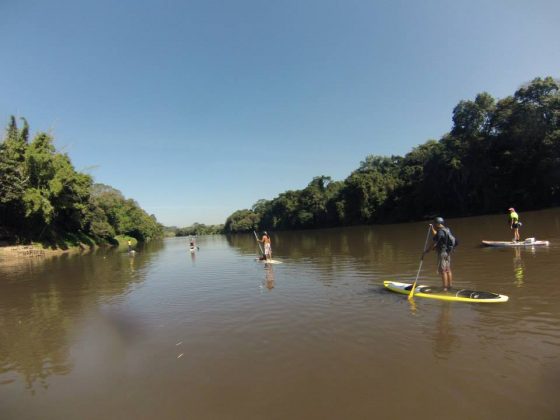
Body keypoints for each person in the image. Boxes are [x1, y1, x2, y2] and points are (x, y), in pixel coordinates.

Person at [425, 217, 453, 291]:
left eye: (434, 223)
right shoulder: (447, 229)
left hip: (442, 253)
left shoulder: (440, 232)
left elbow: (434, 243)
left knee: (443, 271)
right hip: (448, 252)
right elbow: (436, 235)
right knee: (448, 270)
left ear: (437, 223)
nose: (434, 224)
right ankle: (450, 286)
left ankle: (445, 288)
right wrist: (431, 228)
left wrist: (427, 251)